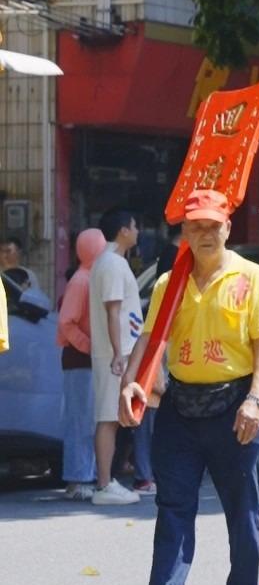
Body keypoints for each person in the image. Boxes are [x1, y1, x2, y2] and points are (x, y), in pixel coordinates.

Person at [120, 189, 259, 585]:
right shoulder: (171, 283)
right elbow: (152, 340)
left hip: (235, 403)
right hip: (180, 405)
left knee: (241, 501)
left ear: (227, 228)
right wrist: (131, 383)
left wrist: (255, 400)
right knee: (173, 502)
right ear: (184, 233)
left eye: (213, 225)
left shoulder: (252, 277)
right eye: (196, 227)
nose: (205, 234)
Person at [88, 207, 144, 506]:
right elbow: (113, 310)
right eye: (135, 226)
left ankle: (109, 480)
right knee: (108, 418)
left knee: (114, 417)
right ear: (123, 229)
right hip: (115, 354)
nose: (137, 231)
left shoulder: (112, 262)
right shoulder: (111, 263)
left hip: (119, 352)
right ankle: (104, 483)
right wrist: (119, 353)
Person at [55, 228, 107, 500]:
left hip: (85, 360)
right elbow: (66, 322)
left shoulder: (89, 278)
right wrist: (91, 347)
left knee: (87, 419)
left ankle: (84, 476)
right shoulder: (82, 280)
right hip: (80, 360)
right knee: (81, 421)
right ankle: (77, 479)